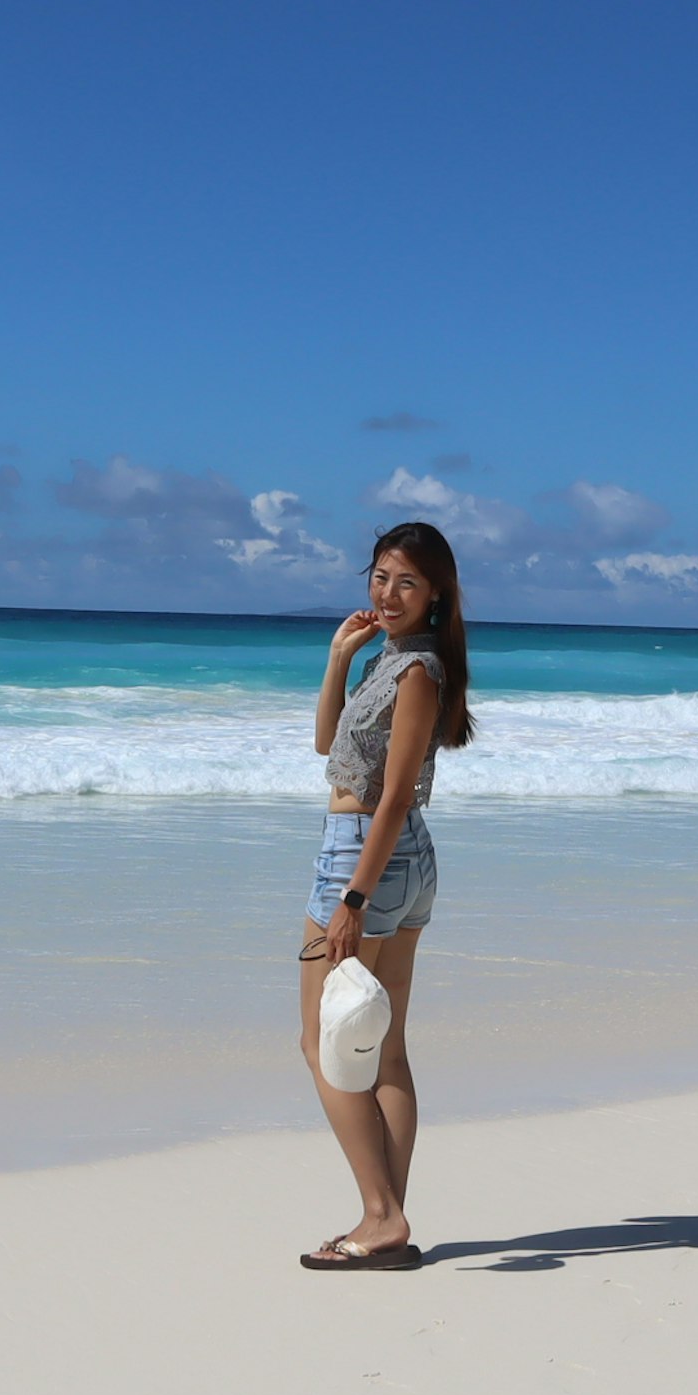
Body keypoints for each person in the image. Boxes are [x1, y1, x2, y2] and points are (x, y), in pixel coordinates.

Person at [295, 520, 474, 1269]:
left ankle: (378, 1216)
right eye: (378, 576)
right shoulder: (388, 659)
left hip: (367, 858)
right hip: (405, 862)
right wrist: (339, 659)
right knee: (386, 1050)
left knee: (323, 1044)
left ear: (435, 593)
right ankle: (388, 1224)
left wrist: (354, 899)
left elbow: (394, 795)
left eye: (406, 581)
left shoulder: (418, 671)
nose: (387, 593)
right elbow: (327, 746)